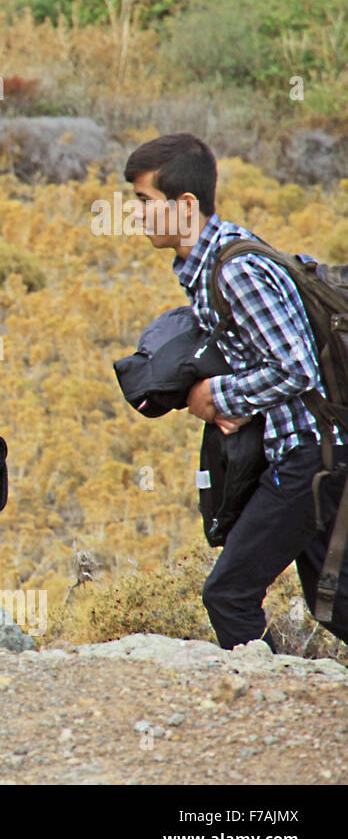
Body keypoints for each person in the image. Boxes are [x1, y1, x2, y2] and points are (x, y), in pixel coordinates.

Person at [126, 132, 348, 648]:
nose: (135, 215)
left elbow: (295, 368)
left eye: (143, 202)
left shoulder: (237, 269)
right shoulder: (208, 266)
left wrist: (216, 398)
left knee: (228, 592)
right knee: (334, 603)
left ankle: (266, 702)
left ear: (184, 205)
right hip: (314, 454)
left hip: (309, 456)